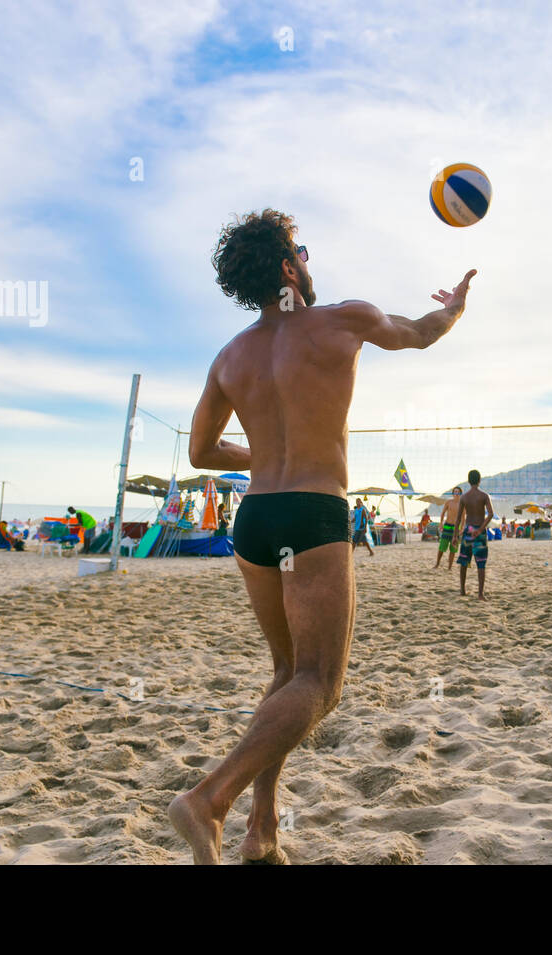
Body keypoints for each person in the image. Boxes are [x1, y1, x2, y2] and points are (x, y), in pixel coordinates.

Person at [169, 208, 475, 864]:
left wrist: (264, 455)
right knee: (320, 682)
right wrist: (454, 308)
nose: (308, 257)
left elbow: (198, 451)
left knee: (286, 673)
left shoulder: (230, 356)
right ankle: (209, 799)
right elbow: (421, 332)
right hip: (312, 513)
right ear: (287, 267)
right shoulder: (343, 318)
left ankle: (263, 831)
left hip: (254, 520)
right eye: (301, 249)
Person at [454, 470, 494, 599]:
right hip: (479, 532)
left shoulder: (464, 497)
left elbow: (458, 518)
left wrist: (455, 536)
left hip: (468, 531)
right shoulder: (484, 495)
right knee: (481, 563)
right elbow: (491, 514)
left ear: (468, 480)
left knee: (464, 561)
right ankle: (480, 594)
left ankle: (462, 590)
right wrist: (481, 528)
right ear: (479, 480)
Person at [433, 486, 462, 570]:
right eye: (455, 492)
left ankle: (449, 567)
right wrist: (441, 523)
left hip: (456, 528)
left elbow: (463, 517)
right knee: (442, 547)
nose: (456, 493)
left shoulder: (462, 503)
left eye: (458, 492)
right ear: (453, 493)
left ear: (460, 493)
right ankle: (437, 564)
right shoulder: (448, 502)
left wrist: (462, 528)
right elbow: (442, 513)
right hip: (447, 525)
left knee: (453, 549)